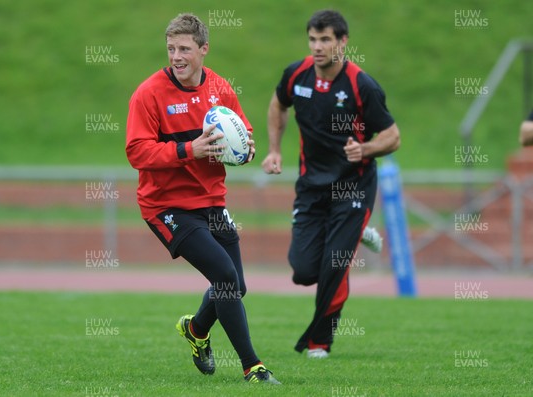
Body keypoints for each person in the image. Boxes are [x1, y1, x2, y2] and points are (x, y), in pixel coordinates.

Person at [126, 13, 280, 384]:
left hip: (211, 201)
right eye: (170, 49)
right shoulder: (148, 94)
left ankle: (196, 329)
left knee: (236, 285)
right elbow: (137, 152)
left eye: (184, 49)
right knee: (225, 276)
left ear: (203, 50)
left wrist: (245, 147)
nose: (176, 56)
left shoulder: (220, 88)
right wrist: (187, 150)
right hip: (166, 206)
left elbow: (242, 132)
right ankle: (252, 367)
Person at [261, 9, 400, 358]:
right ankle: (358, 233)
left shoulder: (361, 85)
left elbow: (393, 136)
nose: (318, 46)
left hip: (353, 186)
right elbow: (278, 105)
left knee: (335, 265)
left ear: (342, 42)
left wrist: (365, 148)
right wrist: (274, 150)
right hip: (311, 186)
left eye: (325, 39)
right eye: (313, 39)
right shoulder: (296, 75)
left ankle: (320, 342)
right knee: (305, 271)